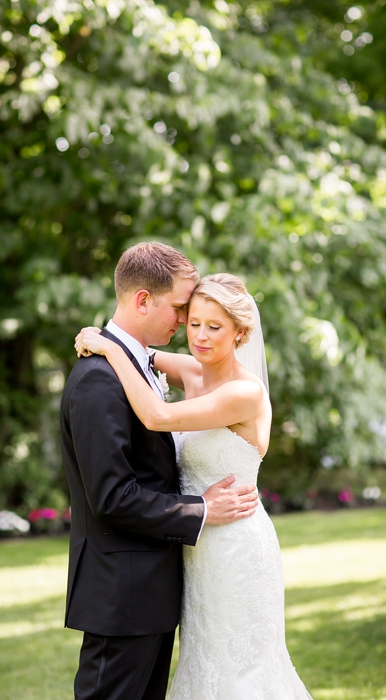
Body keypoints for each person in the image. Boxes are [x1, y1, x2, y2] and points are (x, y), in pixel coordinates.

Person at [75, 272, 313, 700]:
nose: (199, 336)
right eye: (193, 322)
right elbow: (140, 355)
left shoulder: (244, 393)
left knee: (241, 670)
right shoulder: (192, 370)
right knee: (203, 663)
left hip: (236, 543)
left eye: (215, 327)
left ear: (241, 333)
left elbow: (156, 416)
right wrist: (104, 337)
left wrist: (107, 346)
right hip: (195, 545)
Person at [60, 243, 260, 700]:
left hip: (152, 590)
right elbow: (112, 498)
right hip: (122, 595)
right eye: (180, 309)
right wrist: (201, 509)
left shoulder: (136, 362)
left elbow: (156, 422)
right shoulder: (98, 379)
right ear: (143, 300)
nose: (185, 323)